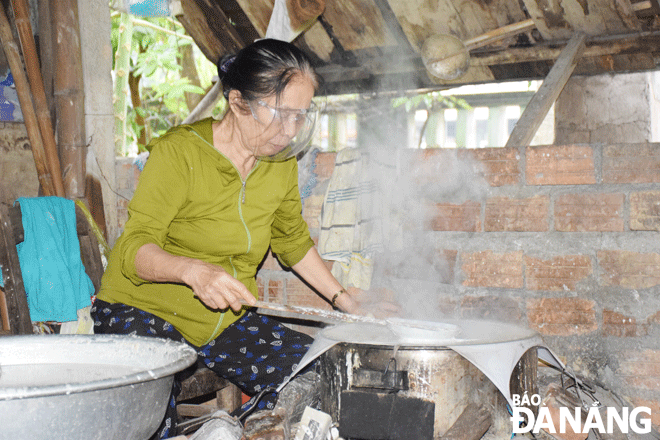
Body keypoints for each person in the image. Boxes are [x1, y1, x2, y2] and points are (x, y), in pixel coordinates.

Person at [91, 38, 365, 439]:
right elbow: (133, 250)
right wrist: (193, 272)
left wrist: (343, 300)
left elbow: (291, 241)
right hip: (142, 310)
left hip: (223, 322)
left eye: (300, 117)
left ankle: (232, 428)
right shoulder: (179, 153)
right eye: (281, 114)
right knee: (149, 411)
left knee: (319, 372)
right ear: (237, 102)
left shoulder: (280, 164)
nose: (289, 132)